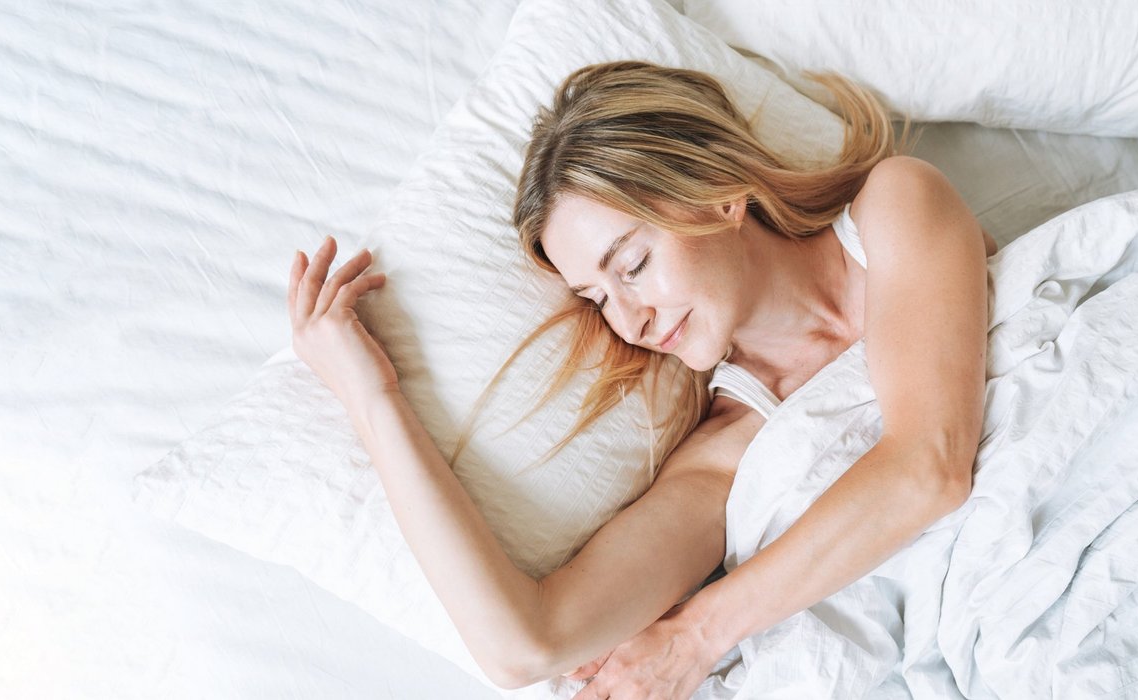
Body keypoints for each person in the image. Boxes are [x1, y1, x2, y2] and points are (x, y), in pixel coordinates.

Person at [287, 60, 997, 698]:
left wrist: (693, 635)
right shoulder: (731, 448)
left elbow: (929, 467)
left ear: (720, 195)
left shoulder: (894, 205)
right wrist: (371, 396)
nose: (628, 319)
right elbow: (524, 647)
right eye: (596, 298)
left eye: (630, 265)